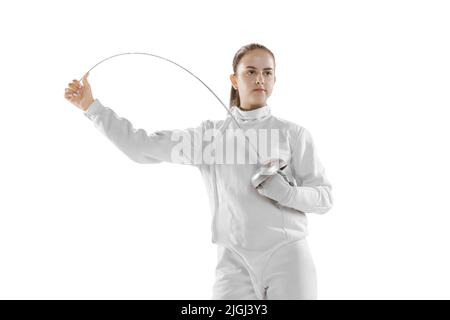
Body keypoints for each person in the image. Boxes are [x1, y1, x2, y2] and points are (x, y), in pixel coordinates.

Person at [64, 43, 333, 300]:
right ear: (234, 79)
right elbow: (140, 146)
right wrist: (92, 107)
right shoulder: (210, 137)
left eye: (267, 72)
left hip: (286, 256)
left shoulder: (293, 134)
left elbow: (324, 198)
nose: (260, 79)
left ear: (275, 79)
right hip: (233, 260)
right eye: (250, 71)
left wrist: (287, 193)